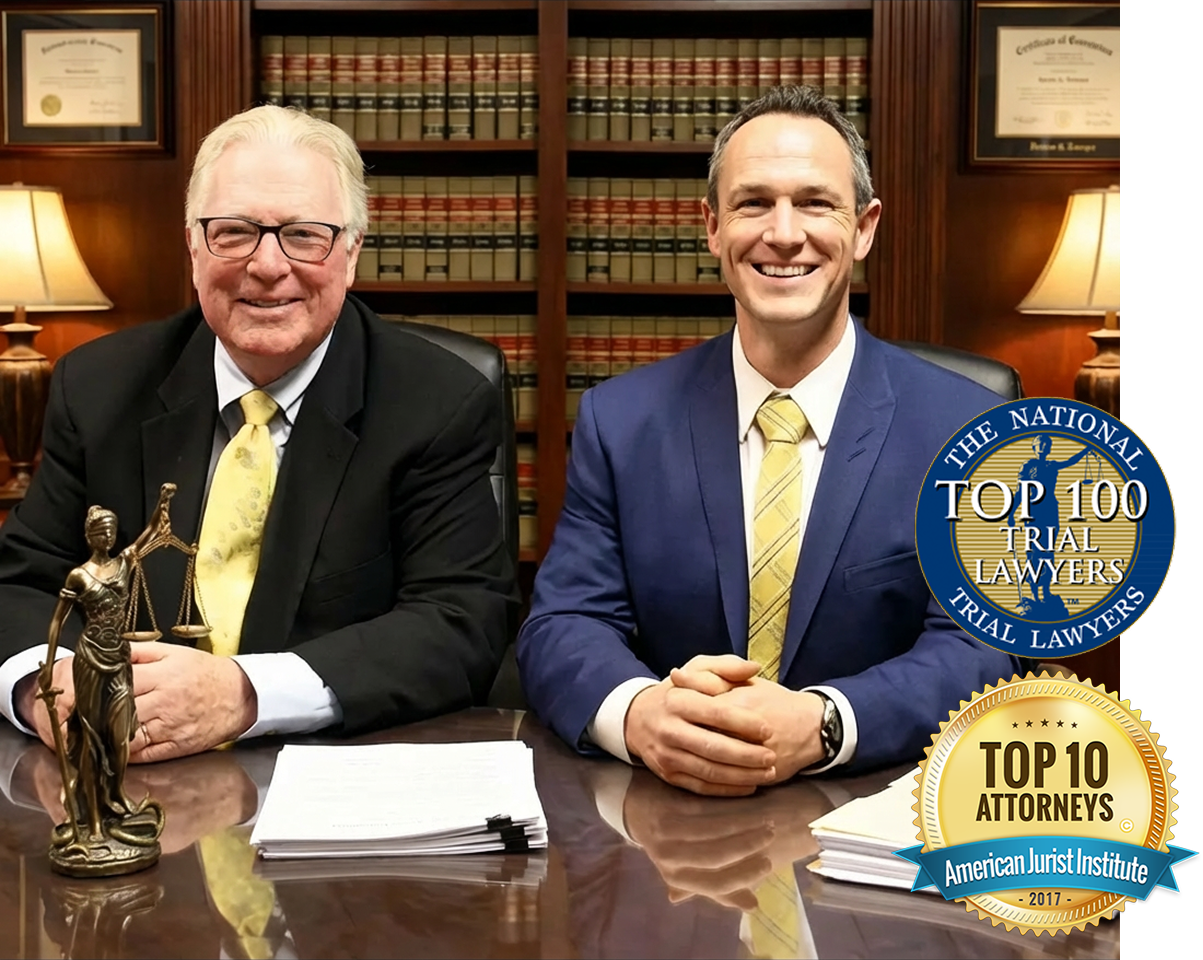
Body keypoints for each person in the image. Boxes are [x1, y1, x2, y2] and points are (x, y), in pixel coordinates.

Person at [517, 86, 1022, 796]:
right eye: (753, 203)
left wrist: (825, 723)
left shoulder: (971, 431)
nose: (783, 234)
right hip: (663, 829)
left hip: (879, 819)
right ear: (712, 227)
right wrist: (638, 715)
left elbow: (981, 651)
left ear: (865, 227)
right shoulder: (620, 421)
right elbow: (564, 623)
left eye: (815, 203)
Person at [0, 104, 517, 763]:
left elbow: (460, 622)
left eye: (304, 235)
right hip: (122, 770)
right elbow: (18, 583)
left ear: (351, 252)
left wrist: (243, 694)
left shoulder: (435, 401)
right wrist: (48, 682)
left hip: (329, 782)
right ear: (193, 245)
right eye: (235, 231)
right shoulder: (98, 386)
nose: (268, 265)